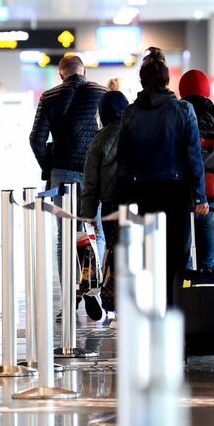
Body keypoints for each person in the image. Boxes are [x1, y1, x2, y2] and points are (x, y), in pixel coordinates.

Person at [114, 48, 208, 305]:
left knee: (147, 252)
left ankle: (150, 305)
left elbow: (123, 160)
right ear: (167, 81)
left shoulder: (130, 113)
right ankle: (174, 307)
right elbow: (193, 156)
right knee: (178, 254)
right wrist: (200, 195)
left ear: (142, 82)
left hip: (141, 193)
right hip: (176, 192)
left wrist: (120, 200)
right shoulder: (183, 109)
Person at [79, 90, 130, 321]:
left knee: (115, 253)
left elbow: (91, 183)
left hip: (111, 205)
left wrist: (88, 216)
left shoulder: (99, 139)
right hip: (139, 203)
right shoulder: (138, 131)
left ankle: (117, 304)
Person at [178, 69, 214, 270]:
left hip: (185, 198)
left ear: (182, 91)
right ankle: (208, 296)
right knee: (209, 260)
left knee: (185, 259)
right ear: (207, 90)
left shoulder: (178, 117)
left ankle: (186, 297)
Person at [29, 55, 108, 187]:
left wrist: (49, 167)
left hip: (62, 169)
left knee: (63, 208)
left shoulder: (48, 97)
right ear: (84, 72)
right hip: (95, 170)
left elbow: (36, 139)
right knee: (93, 208)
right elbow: (114, 133)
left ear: (61, 75)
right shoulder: (103, 93)